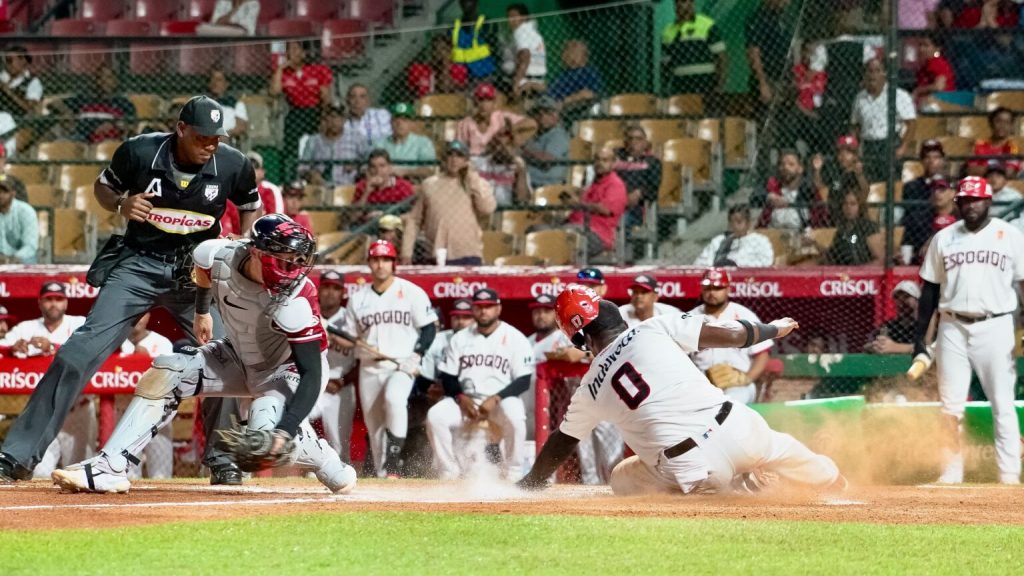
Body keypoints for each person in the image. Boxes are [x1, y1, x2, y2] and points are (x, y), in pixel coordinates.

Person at [0, 96, 259, 486]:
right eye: (203, 136)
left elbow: (250, 204)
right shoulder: (139, 152)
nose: (211, 145)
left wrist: (243, 237)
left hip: (196, 273)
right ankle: (17, 455)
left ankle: (223, 460)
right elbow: (103, 188)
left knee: (222, 356)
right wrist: (123, 204)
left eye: (217, 138)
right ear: (181, 128)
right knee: (77, 352)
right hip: (139, 263)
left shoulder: (234, 163)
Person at [51, 215, 358, 494]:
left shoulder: (297, 299)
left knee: (261, 442)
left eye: (297, 261)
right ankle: (111, 467)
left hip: (285, 371)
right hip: (238, 355)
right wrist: (202, 312)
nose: (293, 268)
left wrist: (285, 430)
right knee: (168, 372)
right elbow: (203, 272)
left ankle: (324, 460)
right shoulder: (216, 254)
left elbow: (312, 373)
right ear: (257, 252)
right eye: (285, 260)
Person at [516, 284, 844, 495]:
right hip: (739, 425)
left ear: (581, 341)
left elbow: (562, 440)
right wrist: (774, 329)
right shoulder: (654, 326)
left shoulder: (590, 386)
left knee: (622, 479)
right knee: (791, 454)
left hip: (692, 465)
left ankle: (745, 488)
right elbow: (732, 336)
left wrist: (531, 481)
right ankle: (824, 477)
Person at [913, 175, 1024, 485]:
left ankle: (1009, 476)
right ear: (957, 203)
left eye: (976, 200)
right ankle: (950, 473)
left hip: (996, 324)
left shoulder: (1010, 235)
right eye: (965, 200)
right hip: (952, 327)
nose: (971, 205)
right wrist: (920, 338)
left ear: (988, 201)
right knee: (950, 406)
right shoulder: (944, 238)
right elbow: (929, 292)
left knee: (1002, 402)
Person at [341, 239, 437, 477]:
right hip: (369, 366)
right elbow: (349, 339)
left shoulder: (412, 292)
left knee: (395, 399)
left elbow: (429, 328)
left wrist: (417, 355)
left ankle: (394, 462)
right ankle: (387, 477)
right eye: (376, 259)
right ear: (369, 263)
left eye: (386, 259)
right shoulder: (358, 298)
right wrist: (333, 335)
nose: (380, 264)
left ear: (394, 263)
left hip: (402, 363)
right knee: (374, 427)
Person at [428, 288, 533, 480]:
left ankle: (514, 472)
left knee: (516, 417)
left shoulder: (515, 337)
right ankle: (449, 472)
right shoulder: (460, 338)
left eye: (489, 307)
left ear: (498, 309)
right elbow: (448, 377)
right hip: (467, 401)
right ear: (474, 310)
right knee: (436, 416)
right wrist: (460, 398)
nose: (484, 311)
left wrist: (496, 398)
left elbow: (523, 380)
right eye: (479, 307)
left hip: (501, 400)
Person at [1, 282, 91, 478]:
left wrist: (54, 346)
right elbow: (3, 348)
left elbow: (92, 351)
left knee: (77, 470)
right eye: (49, 299)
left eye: (58, 299)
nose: (53, 304)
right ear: (40, 303)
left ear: (66, 303)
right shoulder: (25, 328)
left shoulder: (80, 324)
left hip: (76, 411)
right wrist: (12, 349)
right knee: (41, 472)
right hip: (43, 412)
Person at [402, 140, 496, 266]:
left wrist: (471, 176)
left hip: (469, 254)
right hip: (437, 254)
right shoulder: (430, 184)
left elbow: (487, 208)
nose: (454, 159)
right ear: (444, 158)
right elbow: (414, 220)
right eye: (450, 155)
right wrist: (406, 252)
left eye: (459, 156)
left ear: (466, 160)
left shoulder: (476, 183)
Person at [689, 269, 773, 406]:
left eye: (717, 288)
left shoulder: (744, 315)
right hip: (701, 385)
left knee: (731, 403)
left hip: (737, 386)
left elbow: (762, 353)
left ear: (728, 289)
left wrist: (747, 378)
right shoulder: (689, 319)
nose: (712, 293)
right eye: (708, 288)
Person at [308, 270, 357, 463]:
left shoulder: (349, 319)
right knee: (296, 420)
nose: (330, 292)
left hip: (340, 385)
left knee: (339, 444)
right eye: (326, 287)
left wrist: (343, 380)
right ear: (319, 290)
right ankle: (316, 460)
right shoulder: (309, 315)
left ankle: (341, 475)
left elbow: (361, 360)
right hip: (314, 383)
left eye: (336, 288)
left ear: (343, 292)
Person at [118, 312, 174, 479]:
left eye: (142, 314)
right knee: (128, 475)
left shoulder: (162, 343)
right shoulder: (115, 342)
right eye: (135, 314)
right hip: (125, 415)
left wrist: (147, 361)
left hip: (157, 415)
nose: (138, 318)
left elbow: (171, 380)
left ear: (149, 316)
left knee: (161, 475)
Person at [850, 59, 916, 183]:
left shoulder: (899, 95)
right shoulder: (859, 98)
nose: (872, 75)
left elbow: (911, 123)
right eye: (869, 71)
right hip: (869, 145)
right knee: (870, 183)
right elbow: (855, 125)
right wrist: (856, 147)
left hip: (889, 144)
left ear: (885, 73)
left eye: (877, 71)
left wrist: (903, 147)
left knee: (890, 184)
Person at [270, 41, 333, 159]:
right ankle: (292, 165)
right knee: (291, 140)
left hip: (315, 110)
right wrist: (280, 69)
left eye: (295, 49)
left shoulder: (317, 70)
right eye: (289, 50)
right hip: (295, 111)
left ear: (304, 52)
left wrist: (324, 117)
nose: (292, 53)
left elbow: (326, 97)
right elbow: (275, 92)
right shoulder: (285, 73)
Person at [660, 0, 727, 106]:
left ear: (692, 3)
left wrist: (720, 86)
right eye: (678, 2)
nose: (682, 5)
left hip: (706, 85)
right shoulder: (668, 31)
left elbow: (721, 57)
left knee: (706, 118)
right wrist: (666, 88)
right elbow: (665, 64)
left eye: (685, 1)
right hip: (681, 86)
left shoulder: (707, 25)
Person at [566, 148, 628, 258]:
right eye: (597, 160)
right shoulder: (592, 183)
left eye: (605, 160)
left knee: (563, 240)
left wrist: (580, 204)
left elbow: (605, 209)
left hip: (597, 235)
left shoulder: (615, 184)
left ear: (613, 164)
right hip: (577, 227)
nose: (600, 163)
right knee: (538, 230)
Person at [56, 65, 136, 143]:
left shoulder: (123, 102)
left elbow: (132, 126)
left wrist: (114, 124)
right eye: (101, 78)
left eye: (110, 77)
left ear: (116, 81)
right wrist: (68, 112)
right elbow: (55, 103)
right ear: (97, 81)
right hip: (81, 138)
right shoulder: (85, 98)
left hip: (109, 140)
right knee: (62, 143)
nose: (104, 81)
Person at [456, 83, 535, 158]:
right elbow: (458, 147)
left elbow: (532, 124)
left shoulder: (501, 117)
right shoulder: (465, 123)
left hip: (496, 161)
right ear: (475, 102)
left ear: (494, 103)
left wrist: (510, 128)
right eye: (480, 99)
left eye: (488, 100)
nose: (484, 104)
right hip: (473, 162)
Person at [614, 125, 662, 245]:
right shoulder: (615, 159)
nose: (633, 142)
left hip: (636, 208)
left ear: (645, 142)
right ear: (625, 142)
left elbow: (654, 189)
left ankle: (618, 255)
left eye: (638, 139)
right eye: (630, 139)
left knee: (621, 221)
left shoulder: (653, 162)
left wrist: (640, 193)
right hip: (614, 202)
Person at [756, 149, 827, 230]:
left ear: (800, 168)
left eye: (791, 164)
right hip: (773, 233)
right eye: (782, 164)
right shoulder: (773, 186)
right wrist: (768, 196)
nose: (785, 167)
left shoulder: (808, 190)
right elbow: (754, 196)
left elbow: (821, 217)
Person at [745, 0, 793, 117]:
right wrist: (762, 83)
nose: (787, 3)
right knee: (766, 117)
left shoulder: (780, 18)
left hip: (783, 76)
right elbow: (753, 52)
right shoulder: (759, 18)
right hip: (768, 77)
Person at [300, 105, 363, 187]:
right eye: (331, 117)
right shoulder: (313, 141)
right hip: (320, 187)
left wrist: (356, 167)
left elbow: (370, 161)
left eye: (338, 117)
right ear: (325, 119)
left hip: (347, 187)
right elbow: (302, 168)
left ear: (344, 120)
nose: (334, 121)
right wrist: (310, 175)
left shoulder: (356, 138)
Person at [371, 103, 436, 180]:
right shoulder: (379, 143)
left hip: (412, 185)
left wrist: (406, 171)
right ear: (390, 122)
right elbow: (367, 167)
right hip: (384, 184)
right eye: (396, 119)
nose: (400, 123)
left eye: (404, 120)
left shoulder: (423, 142)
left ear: (412, 123)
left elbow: (429, 170)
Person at [819, 188, 883, 266]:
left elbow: (880, 260)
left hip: (863, 273)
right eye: (845, 204)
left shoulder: (869, 227)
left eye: (853, 204)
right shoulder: (841, 230)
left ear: (860, 207)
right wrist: (815, 245)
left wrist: (860, 271)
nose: (848, 207)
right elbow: (831, 257)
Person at [901, 139, 948, 245]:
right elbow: (912, 216)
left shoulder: (950, 186)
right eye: (927, 157)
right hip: (918, 235)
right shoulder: (911, 186)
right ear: (922, 161)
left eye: (936, 157)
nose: (931, 161)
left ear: (942, 160)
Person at [694, 204, 774, 267]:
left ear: (748, 223)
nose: (734, 226)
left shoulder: (760, 241)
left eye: (739, 222)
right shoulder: (719, 241)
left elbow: (767, 261)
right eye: (731, 222)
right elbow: (701, 262)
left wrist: (738, 266)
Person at [902, 178, 958, 265]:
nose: (936, 193)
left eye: (942, 190)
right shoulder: (918, 219)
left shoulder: (962, 218)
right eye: (934, 190)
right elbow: (908, 247)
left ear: (953, 193)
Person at [0, 45, 43, 154]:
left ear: (22, 61)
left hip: (16, 121)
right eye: (6, 60)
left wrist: (8, 91)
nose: (7, 64)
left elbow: (29, 108)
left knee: (5, 118)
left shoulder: (32, 82)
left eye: (10, 60)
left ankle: (7, 156)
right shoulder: (2, 77)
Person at [353, 149, 416, 223]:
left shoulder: (403, 186)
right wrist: (366, 193)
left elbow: (414, 215)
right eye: (373, 167)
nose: (378, 171)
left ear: (390, 168)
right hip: (367, 229)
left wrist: (386, 217)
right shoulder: (362, 186)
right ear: (368, 169)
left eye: (382, 166)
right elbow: (352, 218)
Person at [472, 127, 530, 207]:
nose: (503, 148)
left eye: (507, 145)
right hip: (481, 208)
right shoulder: (480, 163)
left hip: (506, 208)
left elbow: (522, 199)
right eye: (498, 144)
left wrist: (520, 174)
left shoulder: (518, 166)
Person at [521, 96, 569, 188]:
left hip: (547, 185)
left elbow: (546, 160)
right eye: (538, 113)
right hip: (529, 182)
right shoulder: (534, 133)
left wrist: (523, 149)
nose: (542, 117)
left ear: (556, 115)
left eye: (547, 113)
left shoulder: (558, 134)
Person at [501, 4, 546, 100]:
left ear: (524, 17)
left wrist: (517, 81)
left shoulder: (521, 31)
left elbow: (525, 56)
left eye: (514, 16)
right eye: (508, 17)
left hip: (526, 78)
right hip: (537, 77)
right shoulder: (533, 32)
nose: (510, 20)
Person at [864, 281, 919, 355]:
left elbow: (931, 348)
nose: (901, 300)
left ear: (917, 300)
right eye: (897, 297)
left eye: (906, 296)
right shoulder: (888, 326)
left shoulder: (925, 326)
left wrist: (895, 347)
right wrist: (875, 346)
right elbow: (867, 345)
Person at [450, 0, 498, 82]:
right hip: (461, 76)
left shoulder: (487, 23)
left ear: (477, 2)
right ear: (460, 3)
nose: (467, 3)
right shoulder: (454, 25)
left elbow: (495, 48)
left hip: (484, 73)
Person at [547, 40, 603, 111]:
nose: (570, 56)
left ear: (585, 57)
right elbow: (550, 88)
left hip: (573, 109)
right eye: (567, 53)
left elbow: (588, 94)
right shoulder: (563, 74)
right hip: (550, 103)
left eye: (574, 53)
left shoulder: (588, 72)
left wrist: (567, 100)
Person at [967, 107, 1020, 178]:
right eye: (998, 121)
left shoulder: (1013, 148)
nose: (1002, 126)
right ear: (991, 123)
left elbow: (1008, 173)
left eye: (1007, 122)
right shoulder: (979, 145)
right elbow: (971, 171)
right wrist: (999, 168)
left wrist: (984, 168)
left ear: (1011, 126)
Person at [344, 84, 392, 153]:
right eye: (353, 97)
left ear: (368, 101)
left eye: (362, 97)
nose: (357, 101)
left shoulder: (381, 115)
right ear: (347, 100)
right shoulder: (343, 122)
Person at [912, 34, 955, 107]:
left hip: (941, 102)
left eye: (926, 45)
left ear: (937, 48)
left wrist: (918, 90)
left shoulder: (938, 63)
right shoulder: (926, 63)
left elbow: (939, 86)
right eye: (920, 45)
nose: (921, 49)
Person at [0, 178, 37, 263]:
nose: (0, 195)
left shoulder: (26, 211)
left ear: (13, 193)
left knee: (28, 259)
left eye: (5, 192)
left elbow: (30, 246)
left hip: (20, 257)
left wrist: (11, 259)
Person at [207, 69, 248, 142]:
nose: (214, 82)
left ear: (226, 83)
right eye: (212, 79)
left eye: (219, 80)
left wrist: (227, 134)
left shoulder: (237, 104)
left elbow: (241, 126)